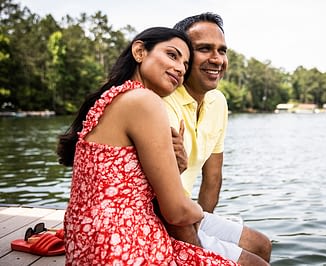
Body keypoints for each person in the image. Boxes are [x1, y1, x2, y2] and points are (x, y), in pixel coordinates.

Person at [57, 26, 238, 265]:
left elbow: (128, 183)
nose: (179, 68)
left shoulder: (112, 97)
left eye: (184, 64)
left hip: (88, 241)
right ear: (140, 51)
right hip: (120, 244)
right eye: (172, 55)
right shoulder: (144, 101)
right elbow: (176, 210)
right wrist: (198, 213)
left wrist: (178, 168)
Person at [163, 13, 272, 265]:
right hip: (161, 216)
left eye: (222, 51)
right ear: (183, 56)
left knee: (261, 244)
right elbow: (161, 199)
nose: (217, 59)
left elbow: (213, 177)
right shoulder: (164, 103)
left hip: (187, 214)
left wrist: (203, 225)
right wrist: (199, 251)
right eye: (204, 49)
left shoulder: (217, 102)